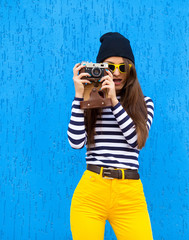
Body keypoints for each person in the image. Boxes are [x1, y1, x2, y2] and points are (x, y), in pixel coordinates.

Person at [67, 32, 154, 240]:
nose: (116, 73)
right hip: (92, 190)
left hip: (129, 195)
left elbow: (136, 141)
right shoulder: (91, 100)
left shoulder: (145, 103)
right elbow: (75, 142)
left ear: (131, 70)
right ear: (101, 70)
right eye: (109, 67)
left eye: (122, 67)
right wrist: (80, 95)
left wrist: (114, 103)